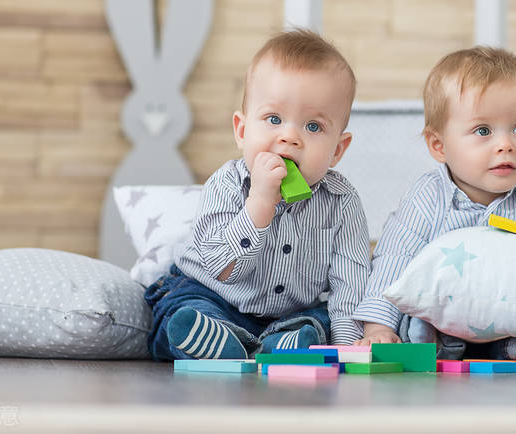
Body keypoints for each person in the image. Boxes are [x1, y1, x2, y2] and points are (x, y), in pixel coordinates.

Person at [352, 46, 516, 369]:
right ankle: (441, 346)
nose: (506, 144)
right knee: (416, 324)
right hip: (444, 318)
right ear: (439, 146)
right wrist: (379, 327)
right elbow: (393, 258)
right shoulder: (428, 195)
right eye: (483, 131)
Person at [145, 29, 370, 361]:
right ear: (242, 130)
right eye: (274, 119)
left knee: (320, 320)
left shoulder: (342, 202)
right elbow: (223, 268)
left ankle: (281, 345)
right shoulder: (226, 184)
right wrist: (261, 202)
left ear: (337, 150)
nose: (290, 137)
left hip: (288, 315)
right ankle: (213, 340)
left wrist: (348, 346)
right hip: (212, 295)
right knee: (180, 313)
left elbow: (349, 283)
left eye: (313, 127)